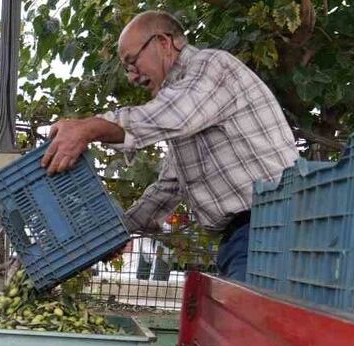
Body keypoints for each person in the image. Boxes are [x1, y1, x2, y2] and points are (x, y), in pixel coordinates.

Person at [41, 10, 298, 281]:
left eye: (132, 63)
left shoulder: (212, 66)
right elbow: (168, 187)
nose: (132, 76)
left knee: (248, 321)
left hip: (273, 229)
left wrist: (89, 127)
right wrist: (117, 232)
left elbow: (173, 116)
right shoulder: (184, 100)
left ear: (163, 42)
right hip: (245, 236)